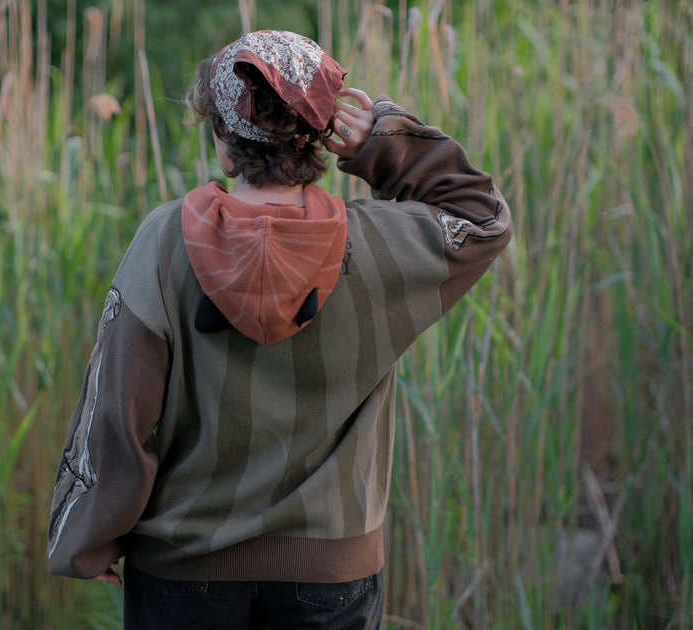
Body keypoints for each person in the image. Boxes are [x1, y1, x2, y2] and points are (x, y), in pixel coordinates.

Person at [48, 30, 511, 629]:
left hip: (181, 573)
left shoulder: (163, 243)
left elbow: (118, 409)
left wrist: (90, 535)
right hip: (329, 576)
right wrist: (384, 143)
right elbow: (482, 218)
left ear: (221, 134)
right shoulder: (378, 247)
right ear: (317, 134)